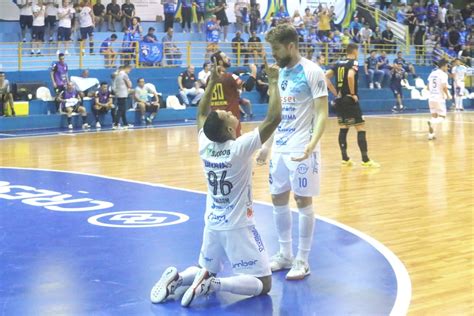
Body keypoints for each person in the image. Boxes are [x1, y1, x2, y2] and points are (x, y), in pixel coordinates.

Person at [150, 58, 281, 308]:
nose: (230, 112)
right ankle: (216, 285)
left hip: (212, 221)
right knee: (264, 283)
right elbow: (273, 118)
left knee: (205, 267)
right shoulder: (239, 148)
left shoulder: (205, 144)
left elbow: (201, 112)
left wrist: (210, 84)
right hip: (238, 225)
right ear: (230, 131)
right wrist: (274, 82)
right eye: (226, 114)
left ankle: (178, 280)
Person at [256, 23, 328, 280]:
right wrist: (266, 146)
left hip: (302, 148)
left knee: (302, 200)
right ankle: (285, 254)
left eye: (275, 49)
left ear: (290, 46)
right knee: (277, 199)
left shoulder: (312, 71)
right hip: (280, 148)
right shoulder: (278, 73)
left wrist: (312, 143)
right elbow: (276, 113)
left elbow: (322, 112)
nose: (273, 54)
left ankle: (302, 259)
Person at [325, 43, 380, 168]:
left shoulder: (338, 63)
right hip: (349, 100)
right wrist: (353, 93)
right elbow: (350, 76)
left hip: (339, 100)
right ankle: (365, 160)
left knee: (343, 128)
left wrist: (335, 92)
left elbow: (325, 77)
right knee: (360, 128)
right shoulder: (353, 63)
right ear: (354, 51)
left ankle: (345, 159)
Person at [209, 51, 257, 136]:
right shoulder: (230, 76)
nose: (229, 58)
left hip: (215, 121)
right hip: (230, 120)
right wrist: (254, 71)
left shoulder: (209, 79)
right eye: (225, 57)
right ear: (220, 62)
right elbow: (248, 87)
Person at [427, 59, 451, 140]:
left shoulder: (432, 73)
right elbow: (444, 87)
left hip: (431, 98)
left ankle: (431, 135)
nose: (447, 68)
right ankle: (431, 122)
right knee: (442, 117)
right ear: (443, 66)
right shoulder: (443, 74)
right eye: (447, 66)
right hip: (439, 98)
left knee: (434, 116)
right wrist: (448, 95)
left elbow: (427, 87)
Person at [113, 64, 133, 129]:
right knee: (120, 109)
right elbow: (129, 85)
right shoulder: (124, 75)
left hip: (118, 93)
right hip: (122, 94)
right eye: (130, 69)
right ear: (127, 68)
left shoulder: (118, 74)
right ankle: (116, 124)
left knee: (123, 109)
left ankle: (125, 123)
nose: (130, 71)